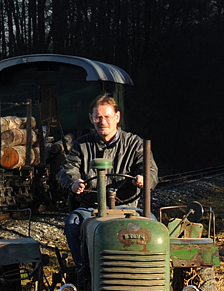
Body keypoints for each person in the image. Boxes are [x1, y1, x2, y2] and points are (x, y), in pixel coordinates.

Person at [57, 93, 158, 270]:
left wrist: (143, 178)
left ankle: (148, 269)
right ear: (91, 118)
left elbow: (149, 169)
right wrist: (73, 182)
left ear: (117, 117)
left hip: (128, 208)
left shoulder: (135, 144)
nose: (103, 122)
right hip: (91, 208)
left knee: (152, 223)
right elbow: (67, 169)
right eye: (98, 117)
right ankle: (84, 272)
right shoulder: (81, 146)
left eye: (107, 117)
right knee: (73, 222)